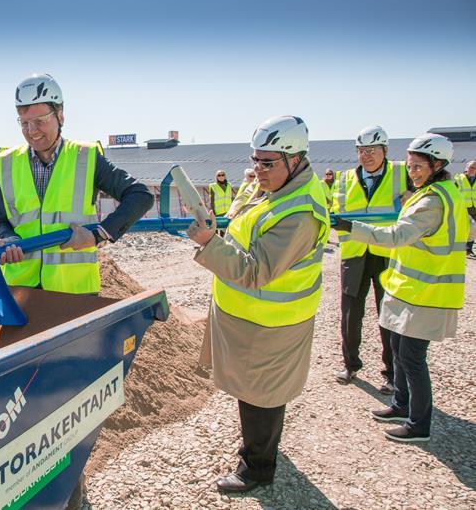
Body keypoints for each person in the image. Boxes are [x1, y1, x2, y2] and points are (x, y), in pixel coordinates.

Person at [187, 116, 329, 493]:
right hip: (254, 317)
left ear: (295, 160)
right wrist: (218, 229)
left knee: (262, 395)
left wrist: (208, 243)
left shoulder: (299, 213)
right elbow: (244, 229)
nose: (258, 170)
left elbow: (255, 270)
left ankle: (258, 469)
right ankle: (259, 450)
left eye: (268, 163)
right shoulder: (274, 189)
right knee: (253, 390)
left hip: (273, 322)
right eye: (255, 161)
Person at [333, 133, 468, 442]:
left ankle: (419, 424)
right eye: (410, 166)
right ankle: (401, 404)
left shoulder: (433, 201)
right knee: (397, 347)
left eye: (419, 166)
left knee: (411, 357)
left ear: (437, 165)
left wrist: (351, 227)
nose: (412, 172)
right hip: (412, 288)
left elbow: (396, 236)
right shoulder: (434, 192)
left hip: (428, 291)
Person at [0, 73, 153, 295]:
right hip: (20, 289)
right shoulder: (7, 163)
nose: (31, 131)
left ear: (60, 116)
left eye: (40, 121)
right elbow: (3, 220)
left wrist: (98, 234)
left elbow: (140, 196)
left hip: (75, 292)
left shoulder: (85, 158)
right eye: (24, 122)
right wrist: (9, 238)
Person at [332, 125, 411, 394]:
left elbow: (421, 198)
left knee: (388, 314)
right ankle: (350, 364)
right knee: (350, 314)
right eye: (361, 151)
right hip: (354, 253)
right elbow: (335, 210)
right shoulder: (344, 179)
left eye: (372, 150)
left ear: (385, 150)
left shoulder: (402, 172)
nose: (366, 156)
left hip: (387, 252)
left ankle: (391, 372)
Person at [454, 159, 476, 257]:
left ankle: (468, 249)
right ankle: (463, 249)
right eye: (471, 167)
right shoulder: (458, 180)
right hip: (463, 208)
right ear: (466, 168)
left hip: (474, 208)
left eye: (475, 168)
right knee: (466, 228)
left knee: (473, 229)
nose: (473, 170)